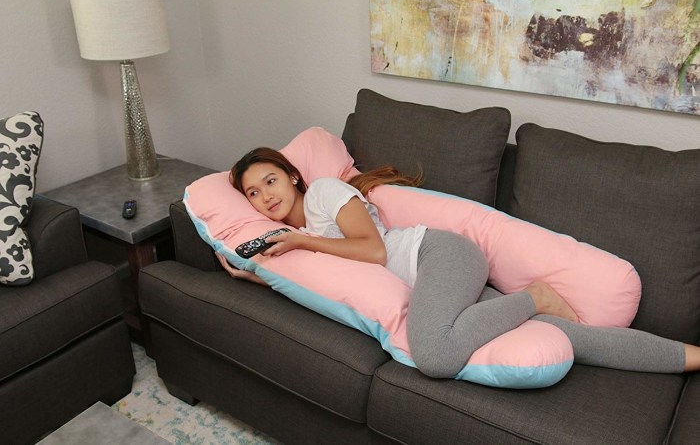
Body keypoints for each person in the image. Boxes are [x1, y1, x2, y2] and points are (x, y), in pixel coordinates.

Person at [217, 147, 700, 378]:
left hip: (440, 256)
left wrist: (301, 245)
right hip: (437, 285)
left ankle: (535, 296)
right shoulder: (296, 237)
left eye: (270, 181)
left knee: (436, 356)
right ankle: (691, 357)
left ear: (293, 176)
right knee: (571, 337)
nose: (265, 196)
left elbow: (374, 251)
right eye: (253, 194)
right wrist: (255, 274)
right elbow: (321, 285)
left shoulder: (324, 194)